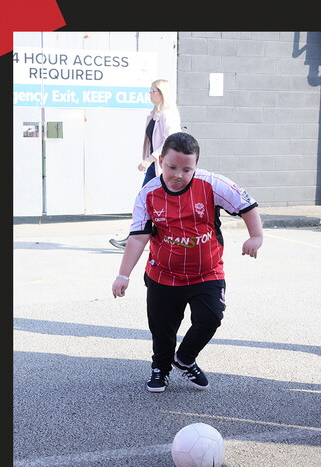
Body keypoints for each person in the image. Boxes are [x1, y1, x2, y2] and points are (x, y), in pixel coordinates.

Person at [111, 132, 263, 393]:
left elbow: (246, 205)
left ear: (196, 166)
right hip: (163, 274)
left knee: (211, 318)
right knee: (162, 329)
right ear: (161, 161)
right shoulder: (148, 194)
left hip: (207, 273)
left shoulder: (212, 184)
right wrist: (123, 275)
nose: (178, 175)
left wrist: (256, 236)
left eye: (186, 169)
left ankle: (185, 358)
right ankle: (160, 368)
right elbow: (137, 238)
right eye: (172, 167)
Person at [109, 79, 183, 249]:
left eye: (153, 91)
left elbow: (170, 142)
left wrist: (149, 159)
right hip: (155, 166)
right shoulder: (154, 114)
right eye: (150, 90)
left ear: (162, 93)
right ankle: (136, 239)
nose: (150, 94)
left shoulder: (167, 115)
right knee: (148, 202)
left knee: (147, 201)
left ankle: (139, 239)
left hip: (163, 166)